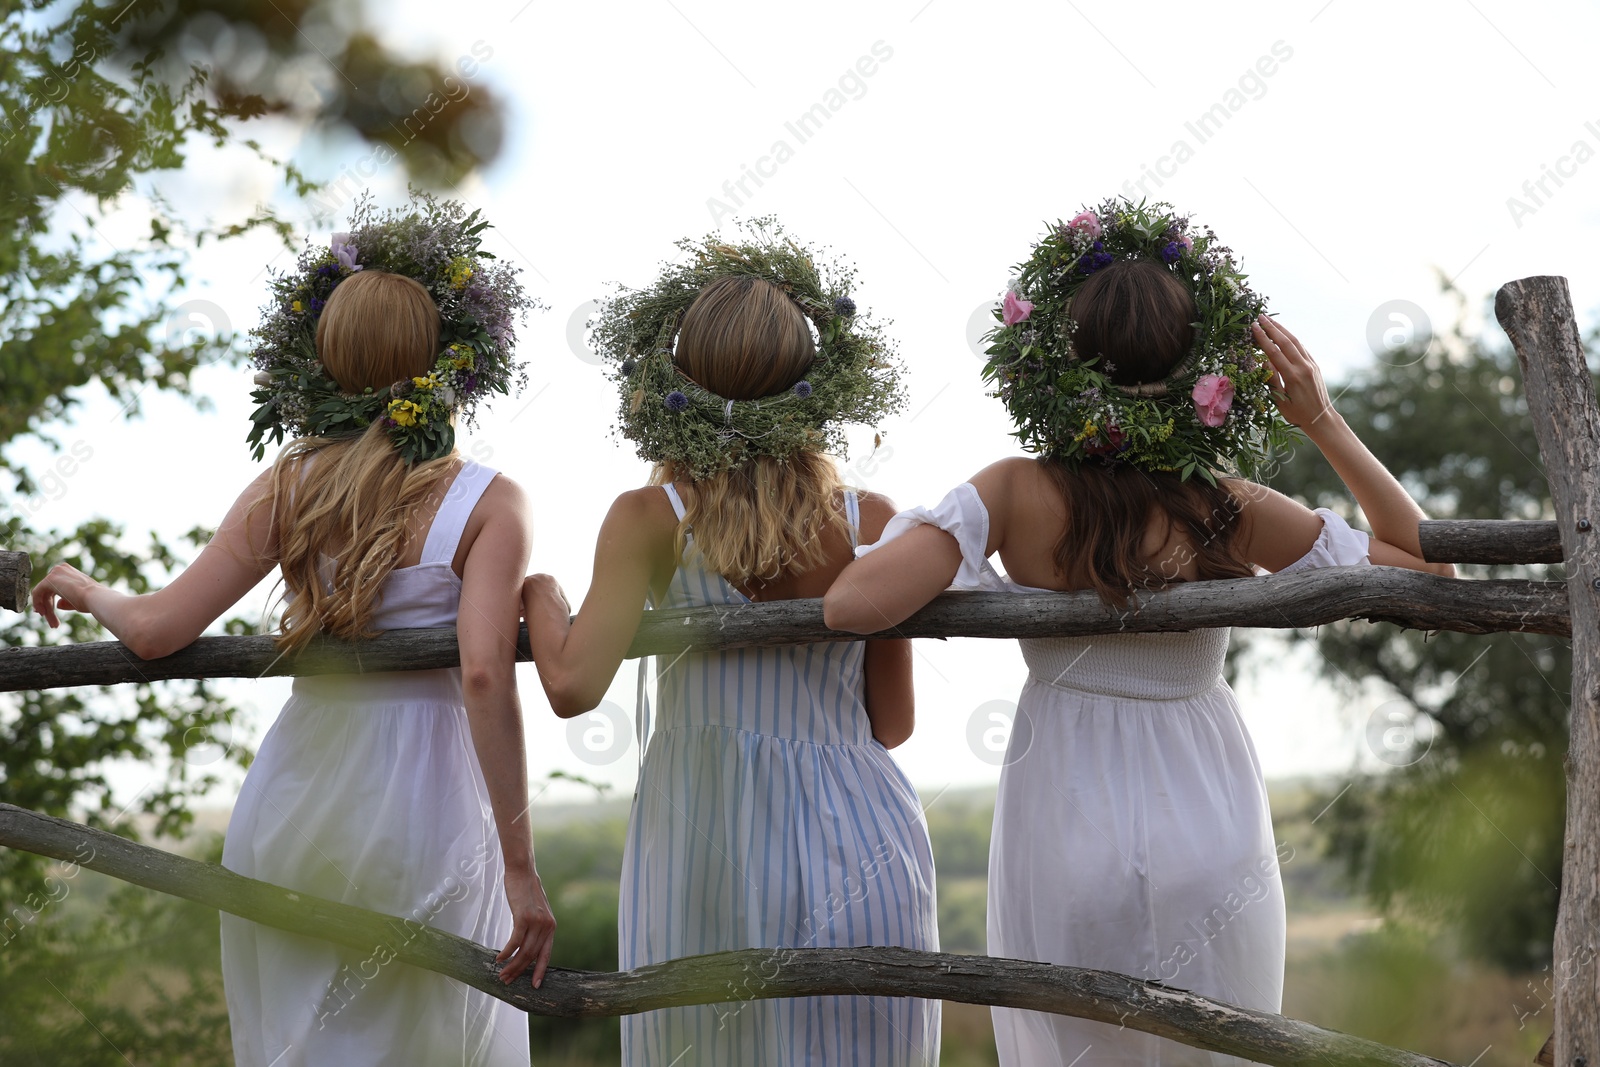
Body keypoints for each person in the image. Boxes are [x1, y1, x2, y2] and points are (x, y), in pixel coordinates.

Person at [823, 200, 1454, 1066]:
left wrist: (940, 541)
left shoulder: (1013, 489)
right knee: (1224, 1042)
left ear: (1056, 360)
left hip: (1064, 806)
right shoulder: (1222, 502)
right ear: (1201, 360)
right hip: (1209, 807)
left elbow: (851, 605)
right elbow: (1430, 574)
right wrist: (1320, 419)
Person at [32, 218, 553, 1067]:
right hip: (429, 807)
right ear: (443, 358)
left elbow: (160, 628)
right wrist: (521, 867)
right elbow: (488, 675)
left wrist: (88, 587)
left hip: (298, 799)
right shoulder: (493, 501)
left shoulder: (286, 485)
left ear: (324, 358)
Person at [521, 226, 940, 1065]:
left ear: (682, 380)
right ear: (816, 386)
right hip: (857, 839)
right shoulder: (874, 523)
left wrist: (540, 595)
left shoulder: (650, 520)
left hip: (700, 835)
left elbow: (569, 685)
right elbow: (891, 723)